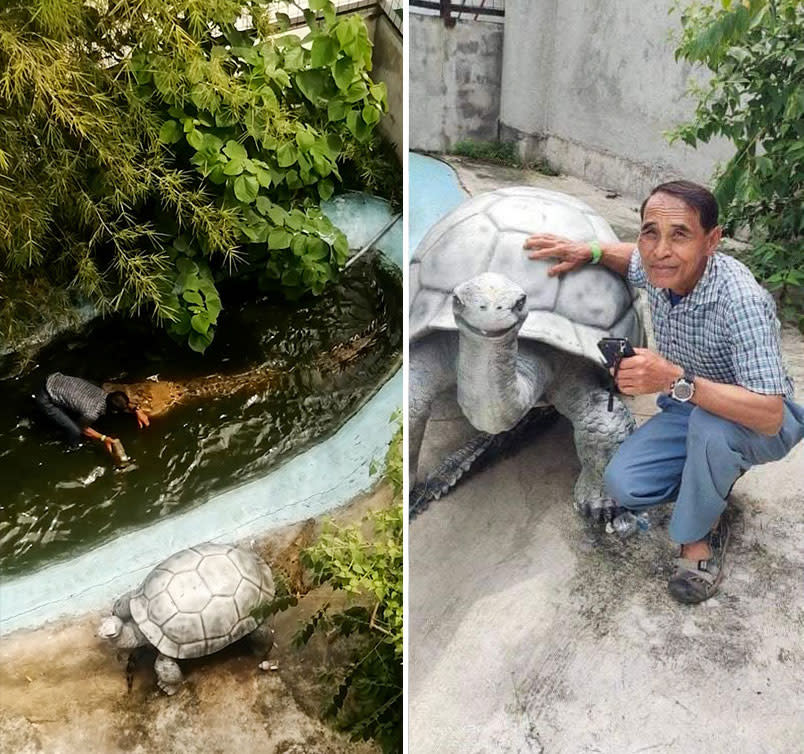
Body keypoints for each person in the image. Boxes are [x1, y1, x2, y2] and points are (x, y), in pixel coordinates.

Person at [524, 180, 804, 604]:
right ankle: (714, 480)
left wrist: (674, 381)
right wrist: (591, 252)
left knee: (712, 430)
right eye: (650, 232)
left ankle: (700, 539)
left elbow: (770, 414)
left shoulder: (741, 301)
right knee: (623, 484)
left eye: (680, 235)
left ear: (712, 241)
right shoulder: (659, 270)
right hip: (689, 408)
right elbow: (630, 260)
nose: (660, 250)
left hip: (753, 420)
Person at [35, 372, 150, 458]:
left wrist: (137, 410)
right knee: (75, 431)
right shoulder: (92, 413)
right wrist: (104, 438)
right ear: (113, 411)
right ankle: (72, 450)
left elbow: (121, 401)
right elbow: (83, 428)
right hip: (45, 397)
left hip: (54, 378)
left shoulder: (103, 392)